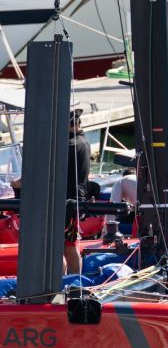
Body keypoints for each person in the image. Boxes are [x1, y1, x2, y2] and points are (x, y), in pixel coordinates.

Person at [65, 109, 90, 275]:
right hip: (76, 199)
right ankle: (70, 282)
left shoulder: (71, 145)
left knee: (64, 246)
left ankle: (68, 282)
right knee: (67, 245)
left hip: (68, 201)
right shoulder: (84, 142)